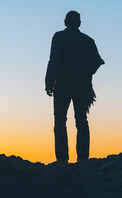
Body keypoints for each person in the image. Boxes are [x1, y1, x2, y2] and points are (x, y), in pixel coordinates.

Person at [45, 11, 105, 162]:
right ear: (79, 23)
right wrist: (85, 73)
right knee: (81, 120)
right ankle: (83, 159)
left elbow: (53, 60)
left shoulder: (59, 37)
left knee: (60, 121)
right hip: (82, 87)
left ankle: (62, 160)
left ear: (66, 22)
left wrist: (48, 82)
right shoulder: (87, 40)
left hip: (62, 86)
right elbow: (97, 62)